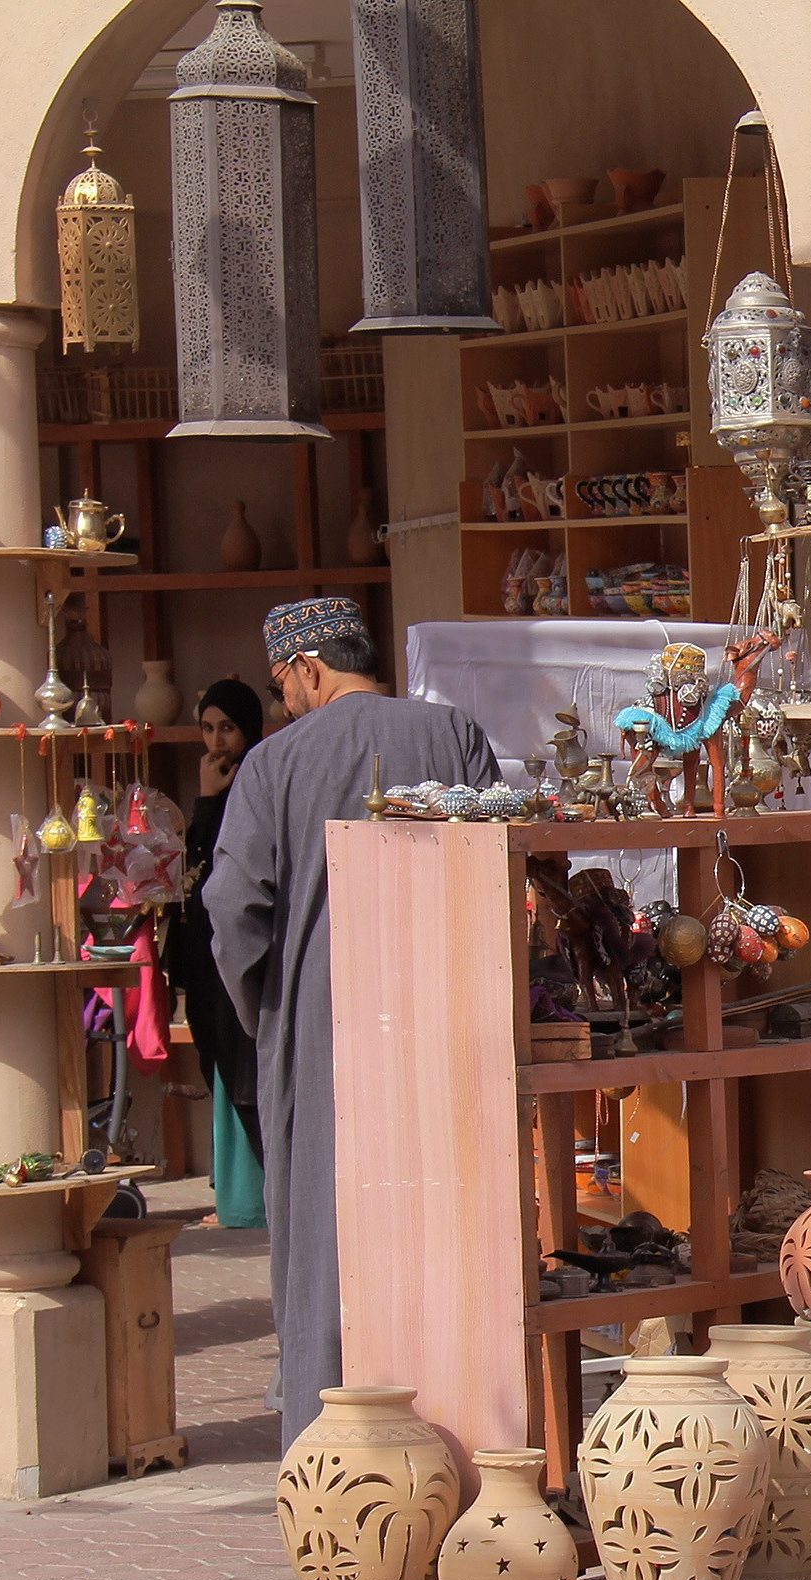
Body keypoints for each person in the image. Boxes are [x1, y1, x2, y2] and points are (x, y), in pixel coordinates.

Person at [207, 598, 503, 1451]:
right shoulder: (454, 735)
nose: (284, 701)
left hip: (323, 1034)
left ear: (307, 669)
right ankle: (469, 1443)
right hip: (451, 1025)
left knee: (327, 1243)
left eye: (281, 686)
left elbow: (234, 911)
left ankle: (329, 1458)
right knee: (453, 1232)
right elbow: (507, 859)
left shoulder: (273, 764)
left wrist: (273, 1009)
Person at [171, 677, 267, 1230]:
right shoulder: (216, 786)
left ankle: (253, 1202)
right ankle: (236, 1197)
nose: (216, 741)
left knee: (245, 1068)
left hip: (243, 953)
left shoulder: (256, 783)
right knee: (221, 1066)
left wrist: (210, 803)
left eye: (227, 728)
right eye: (207, 729)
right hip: (209, 959)